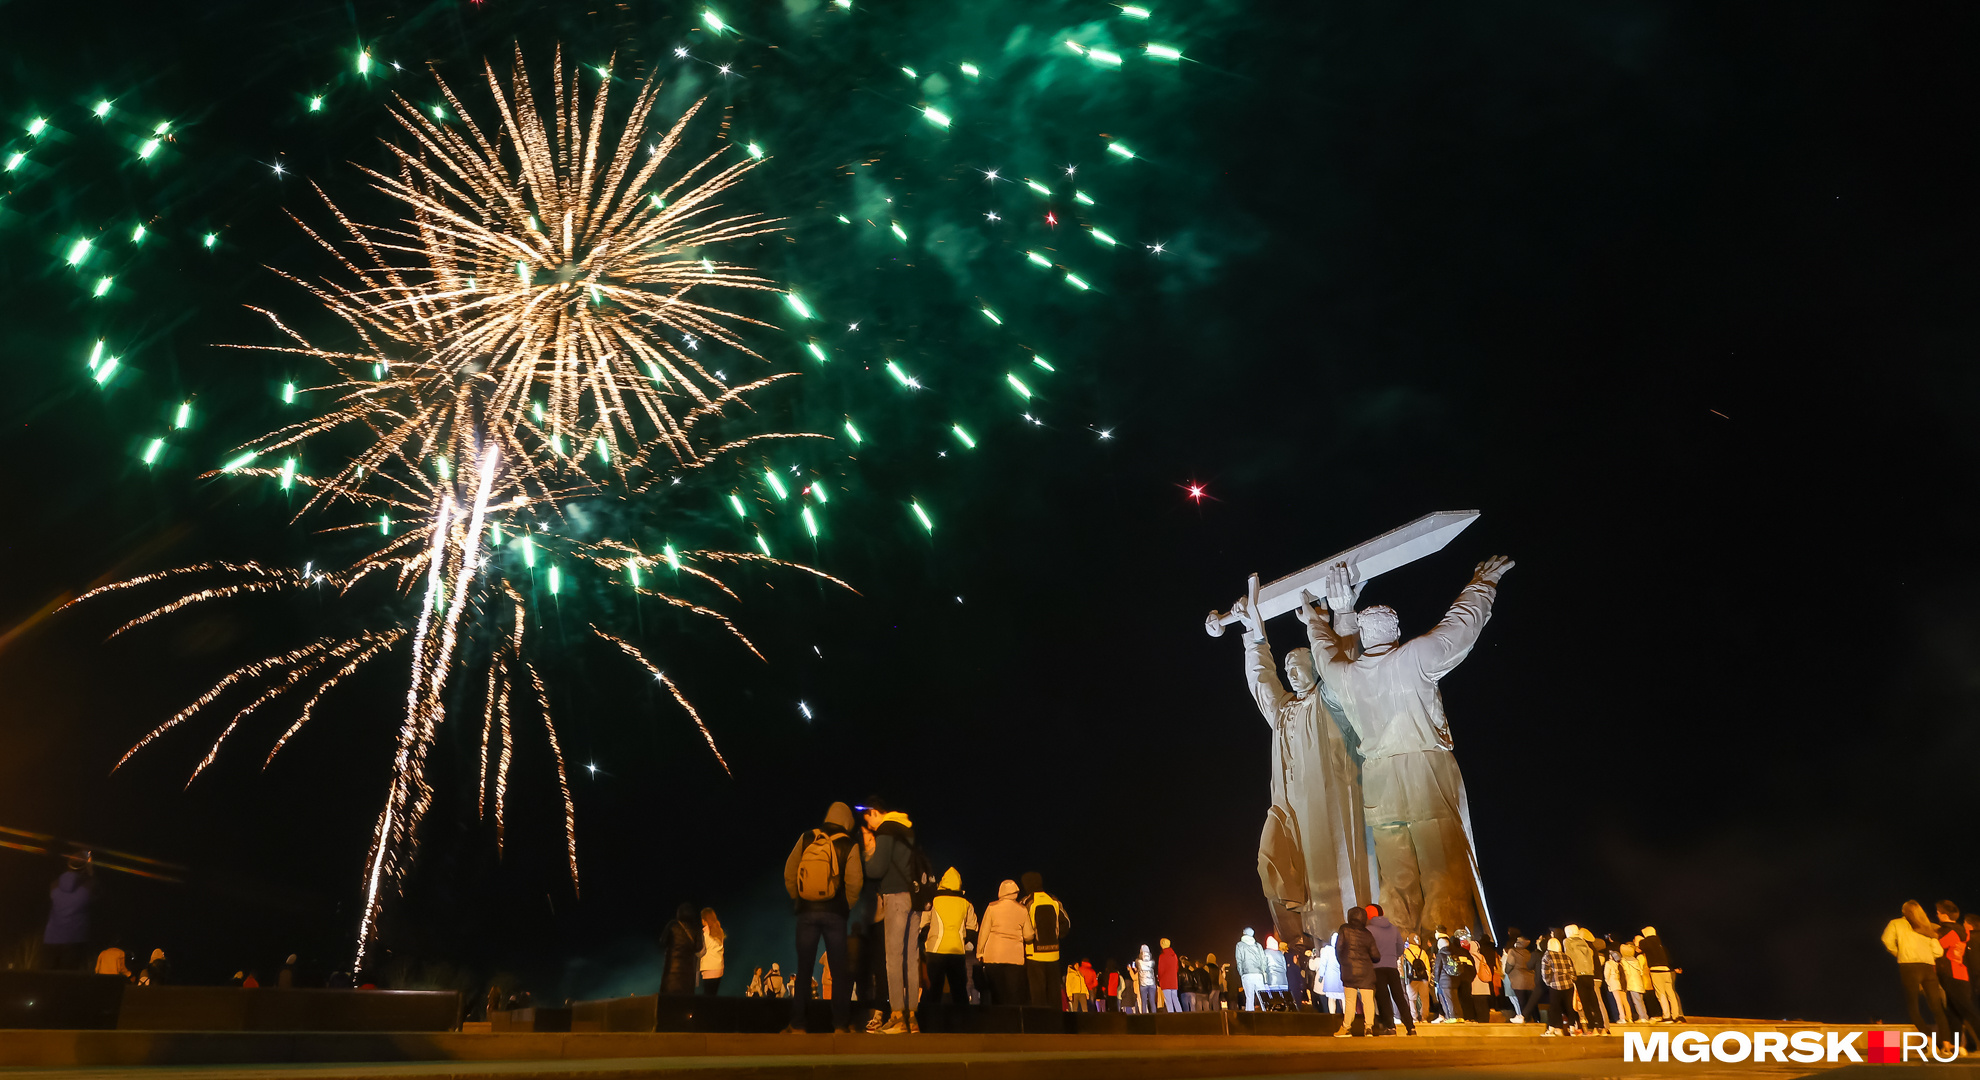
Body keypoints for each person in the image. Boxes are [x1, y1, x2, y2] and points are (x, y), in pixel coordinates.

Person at [1308, 559, 1512, 940]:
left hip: (1379, 780)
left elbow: (1324, 656)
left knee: (1396, 873)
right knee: (1442, 868)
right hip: (1424, 769)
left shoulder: (1349, 679)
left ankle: (1402, 949)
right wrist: (1483, 582)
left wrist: (1316, 623)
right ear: (1397, 631)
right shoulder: (1414, 658)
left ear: (1366, 638)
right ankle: (1448, 947)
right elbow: (1460, 627)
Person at [1227, 589, 1369, 948]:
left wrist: (1337, 617)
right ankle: (1303, 940)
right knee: (1272, 862)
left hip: (1330, 803)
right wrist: (1255, 638)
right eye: (1287, 669)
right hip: (1291, 809)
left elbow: (1344, 666)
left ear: (1313, 670)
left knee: (1334, 869)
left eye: (1298, 667)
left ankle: (1337, 936)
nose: (1290, 674)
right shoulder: (1284, 711)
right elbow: (1262, 683)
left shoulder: (1330, 700)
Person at [783, 802, 862, 1031]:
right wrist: (845, 906)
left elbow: (790, 871)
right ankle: (839, 1025)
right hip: (835, 915)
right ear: (847, 821)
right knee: (838, 972)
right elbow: (855, 882)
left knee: (804, 969)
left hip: (807, 913)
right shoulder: (849, 844)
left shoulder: (808, 837)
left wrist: (798, 898)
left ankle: (798, 1024)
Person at [860, 802, 920, 1034]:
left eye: (869, 820)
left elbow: (876, 869)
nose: (870, 826)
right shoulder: (907, 829)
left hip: (895, 896)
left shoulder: (886, 829)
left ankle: (896, 1016)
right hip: (915, 899)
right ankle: (912, 1017)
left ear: (875, 813)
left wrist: (866, 857)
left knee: (893, 957)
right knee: (911, 958)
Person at [1883, 901, 1952, 1054]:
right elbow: (1939, 952)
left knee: (1913, 1007)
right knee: (1937, 1008)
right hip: (1928, 967)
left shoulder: (1895, 923)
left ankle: (1930, 1041)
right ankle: (1947, 1045)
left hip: (1909, 967)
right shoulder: (1928, 927)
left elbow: (1887, 941)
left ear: (1903, 911)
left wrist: (1900, 953)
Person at [921, 867, 977, 1008]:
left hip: (935, 951)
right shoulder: (966, 903)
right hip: (957, 951)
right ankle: (963, 1024)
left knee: (933, 991)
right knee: (959, 991)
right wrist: (967, 943)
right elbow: (972, 927)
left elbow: (922, 924)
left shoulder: (934, 900)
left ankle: (928, 1023)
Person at [1019, 872, 1070, 1010]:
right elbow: (1066, 924)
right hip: (1054, 953)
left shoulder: (1026, 902)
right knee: (1054, 992)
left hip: (1033, 954)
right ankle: (1057, 1024)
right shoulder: (1054, 900)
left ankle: (1040, 1024)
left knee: (1037, 992)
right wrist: (1056, 936)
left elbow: (1020, 926)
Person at [977, 879, 1031, 1005]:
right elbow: (1028, 935)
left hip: (994, 956)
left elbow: (984, 932)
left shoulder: (992, 907)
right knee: (1012, 996)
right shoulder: (1022, 909)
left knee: (997, 995)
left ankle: (997, 1021)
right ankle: (1012, 1021)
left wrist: (980, 953)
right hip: (1015, 959)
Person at [1935, 902, 1980, 1049]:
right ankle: (1955, 1045)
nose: (1937, 914)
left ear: (1944, 915)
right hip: (1961, 975)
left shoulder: (1951, 932)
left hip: (1952, 975)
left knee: (1968, 1011)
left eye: (1938, 912)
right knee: (1954, 1012)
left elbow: (1937, 947)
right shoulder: (1961, 930)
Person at [1331, 906, 1380, 1037]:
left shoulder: (1344, 929)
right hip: (1366, 972)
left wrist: (1344, 963)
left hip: (1349, 970)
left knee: (1350, 1000)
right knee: (1368, 1000)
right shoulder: (1367, 934)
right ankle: (1369, 1028)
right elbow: (1376, 956)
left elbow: (1339, 949)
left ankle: (1346, 1028)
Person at [1366, 904, 1414, 1035]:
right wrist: (1392, 956)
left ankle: (1390, 1026)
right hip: (1392, 967)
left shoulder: (1368, 930)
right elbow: (1400, 948)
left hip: (1376, 967)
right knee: (1399, 996)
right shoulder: (1393, 928)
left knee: (1383, 998)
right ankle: (1410, 1026)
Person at [42, 858, 95, 972]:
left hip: (51, 938)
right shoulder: (87, 888)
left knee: (48, 977)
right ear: (84, 870)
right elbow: (96, 891)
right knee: (67, 978)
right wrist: (90, 871)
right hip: (74, 939)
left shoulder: (55, 885)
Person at [1562, 924, 1605, 1034]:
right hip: (1589, 974)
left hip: (1578, 974)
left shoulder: (1568, 941)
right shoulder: (1583, 941)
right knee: (1594, 1001)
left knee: (1585, 1002)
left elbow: (1569, 957)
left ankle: (1592, 1028)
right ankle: (1601, 1026)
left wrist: (1571, 974)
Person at [1637, 926, 1684, 1023]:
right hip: (1666, 970)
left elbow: (1639, 949)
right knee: (1670, 993)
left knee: (1661, 993)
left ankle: (1667, 1016)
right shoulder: (1659, 942)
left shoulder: (1645, 942)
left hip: (1656, 970)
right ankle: (1676, 1016)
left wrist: (1639, 942)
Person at [658, 902, 702, 995]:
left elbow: (663, 941)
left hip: (672, 970)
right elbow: (699, 947)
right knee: (685, 999)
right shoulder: (696, 929)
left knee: (669, 999)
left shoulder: (672, 925)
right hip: (688, 971)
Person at [1539, 938, 1575, 1036]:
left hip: (1555, 985)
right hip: (1568, 984)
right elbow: (1572, 971)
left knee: (1555, 1007)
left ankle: (1554, 1028)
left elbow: (1545, 973)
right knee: (1569, 1006)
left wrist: (1549, 982)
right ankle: (1572, 1028)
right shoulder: (1565, 956)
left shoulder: (1547, 956)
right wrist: (1571, 979)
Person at [1434, 933, 1473, 1022]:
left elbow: (1437, 969)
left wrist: (1436, 981)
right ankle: (1459, 1016)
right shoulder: (1453, 953)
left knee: (1447, 1000)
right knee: (1455, 1000)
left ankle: (1451, 1017)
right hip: (1455, 981)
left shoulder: (1440, 955)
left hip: (1444, 982)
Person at [1503, 934, 1536, 1023]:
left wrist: (1507, 971)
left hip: (1518, 980)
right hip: (1530, 980)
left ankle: (1522, 1018)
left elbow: (1510, 964)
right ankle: (1530, 1019)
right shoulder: (1528, 953)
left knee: (1521, 1001)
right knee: (1528, 1001)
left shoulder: (1512, 951)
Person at [1401, 933, 1432, 1022]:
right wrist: (1428, 979)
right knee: (1424, 999)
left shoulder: (1405, 952)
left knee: (1411, 999)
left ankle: (1414, 1018)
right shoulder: (1423, 952)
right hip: (1423, 979)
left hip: (1411, 979)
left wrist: (1403, 977)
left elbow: (1402, 965)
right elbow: (1428, 967)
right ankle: (1424, 1017)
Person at [1236, 927, 1268, 1011]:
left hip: (1247, 974)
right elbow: (1263, 960)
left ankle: (1250, 1018)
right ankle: (1267, 1015)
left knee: (1249, 998)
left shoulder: (1240, 945)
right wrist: (1262, 971)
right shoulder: (1258, 945)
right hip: (1258, 974)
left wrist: (1241, 973)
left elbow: (1239, 960)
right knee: (1262, 997)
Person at [698, 908, 727, 997]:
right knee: (713, 995)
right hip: (719, 967)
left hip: (709, 967)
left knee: (707, 995)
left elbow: (700, 950)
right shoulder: (719, 931)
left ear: (704, 920)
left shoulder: (705, 932)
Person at [1621, 942, 1650, 1022]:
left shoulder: (1624, 961)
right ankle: (1645, 1016)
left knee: (1636, 1001)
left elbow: (1626, 972)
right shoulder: (1635, 960)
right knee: (1640, 1001)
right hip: (1639, 983)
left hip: (1632, 983)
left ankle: (1642, 1017)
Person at [1156, 938, 1181, 1013]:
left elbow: (1161, 970)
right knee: (1175, 999)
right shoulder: (1174, 955)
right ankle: (1181, 1015)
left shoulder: (1162, 956)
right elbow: (1176, 968)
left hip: (1165, 981)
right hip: (1173, 981)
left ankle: (1171, 1017)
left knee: (1168, 1001)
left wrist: (1159, 979)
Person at [1136, 944, 1158, 1012]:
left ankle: (1144, 1016)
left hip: (1143, 984)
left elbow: (1137, 966)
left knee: (1144, 1002)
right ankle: (1155, 1016)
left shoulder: (1138, 961)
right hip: (1152, 983)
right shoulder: (1152, 962)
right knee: (1152, 1001)